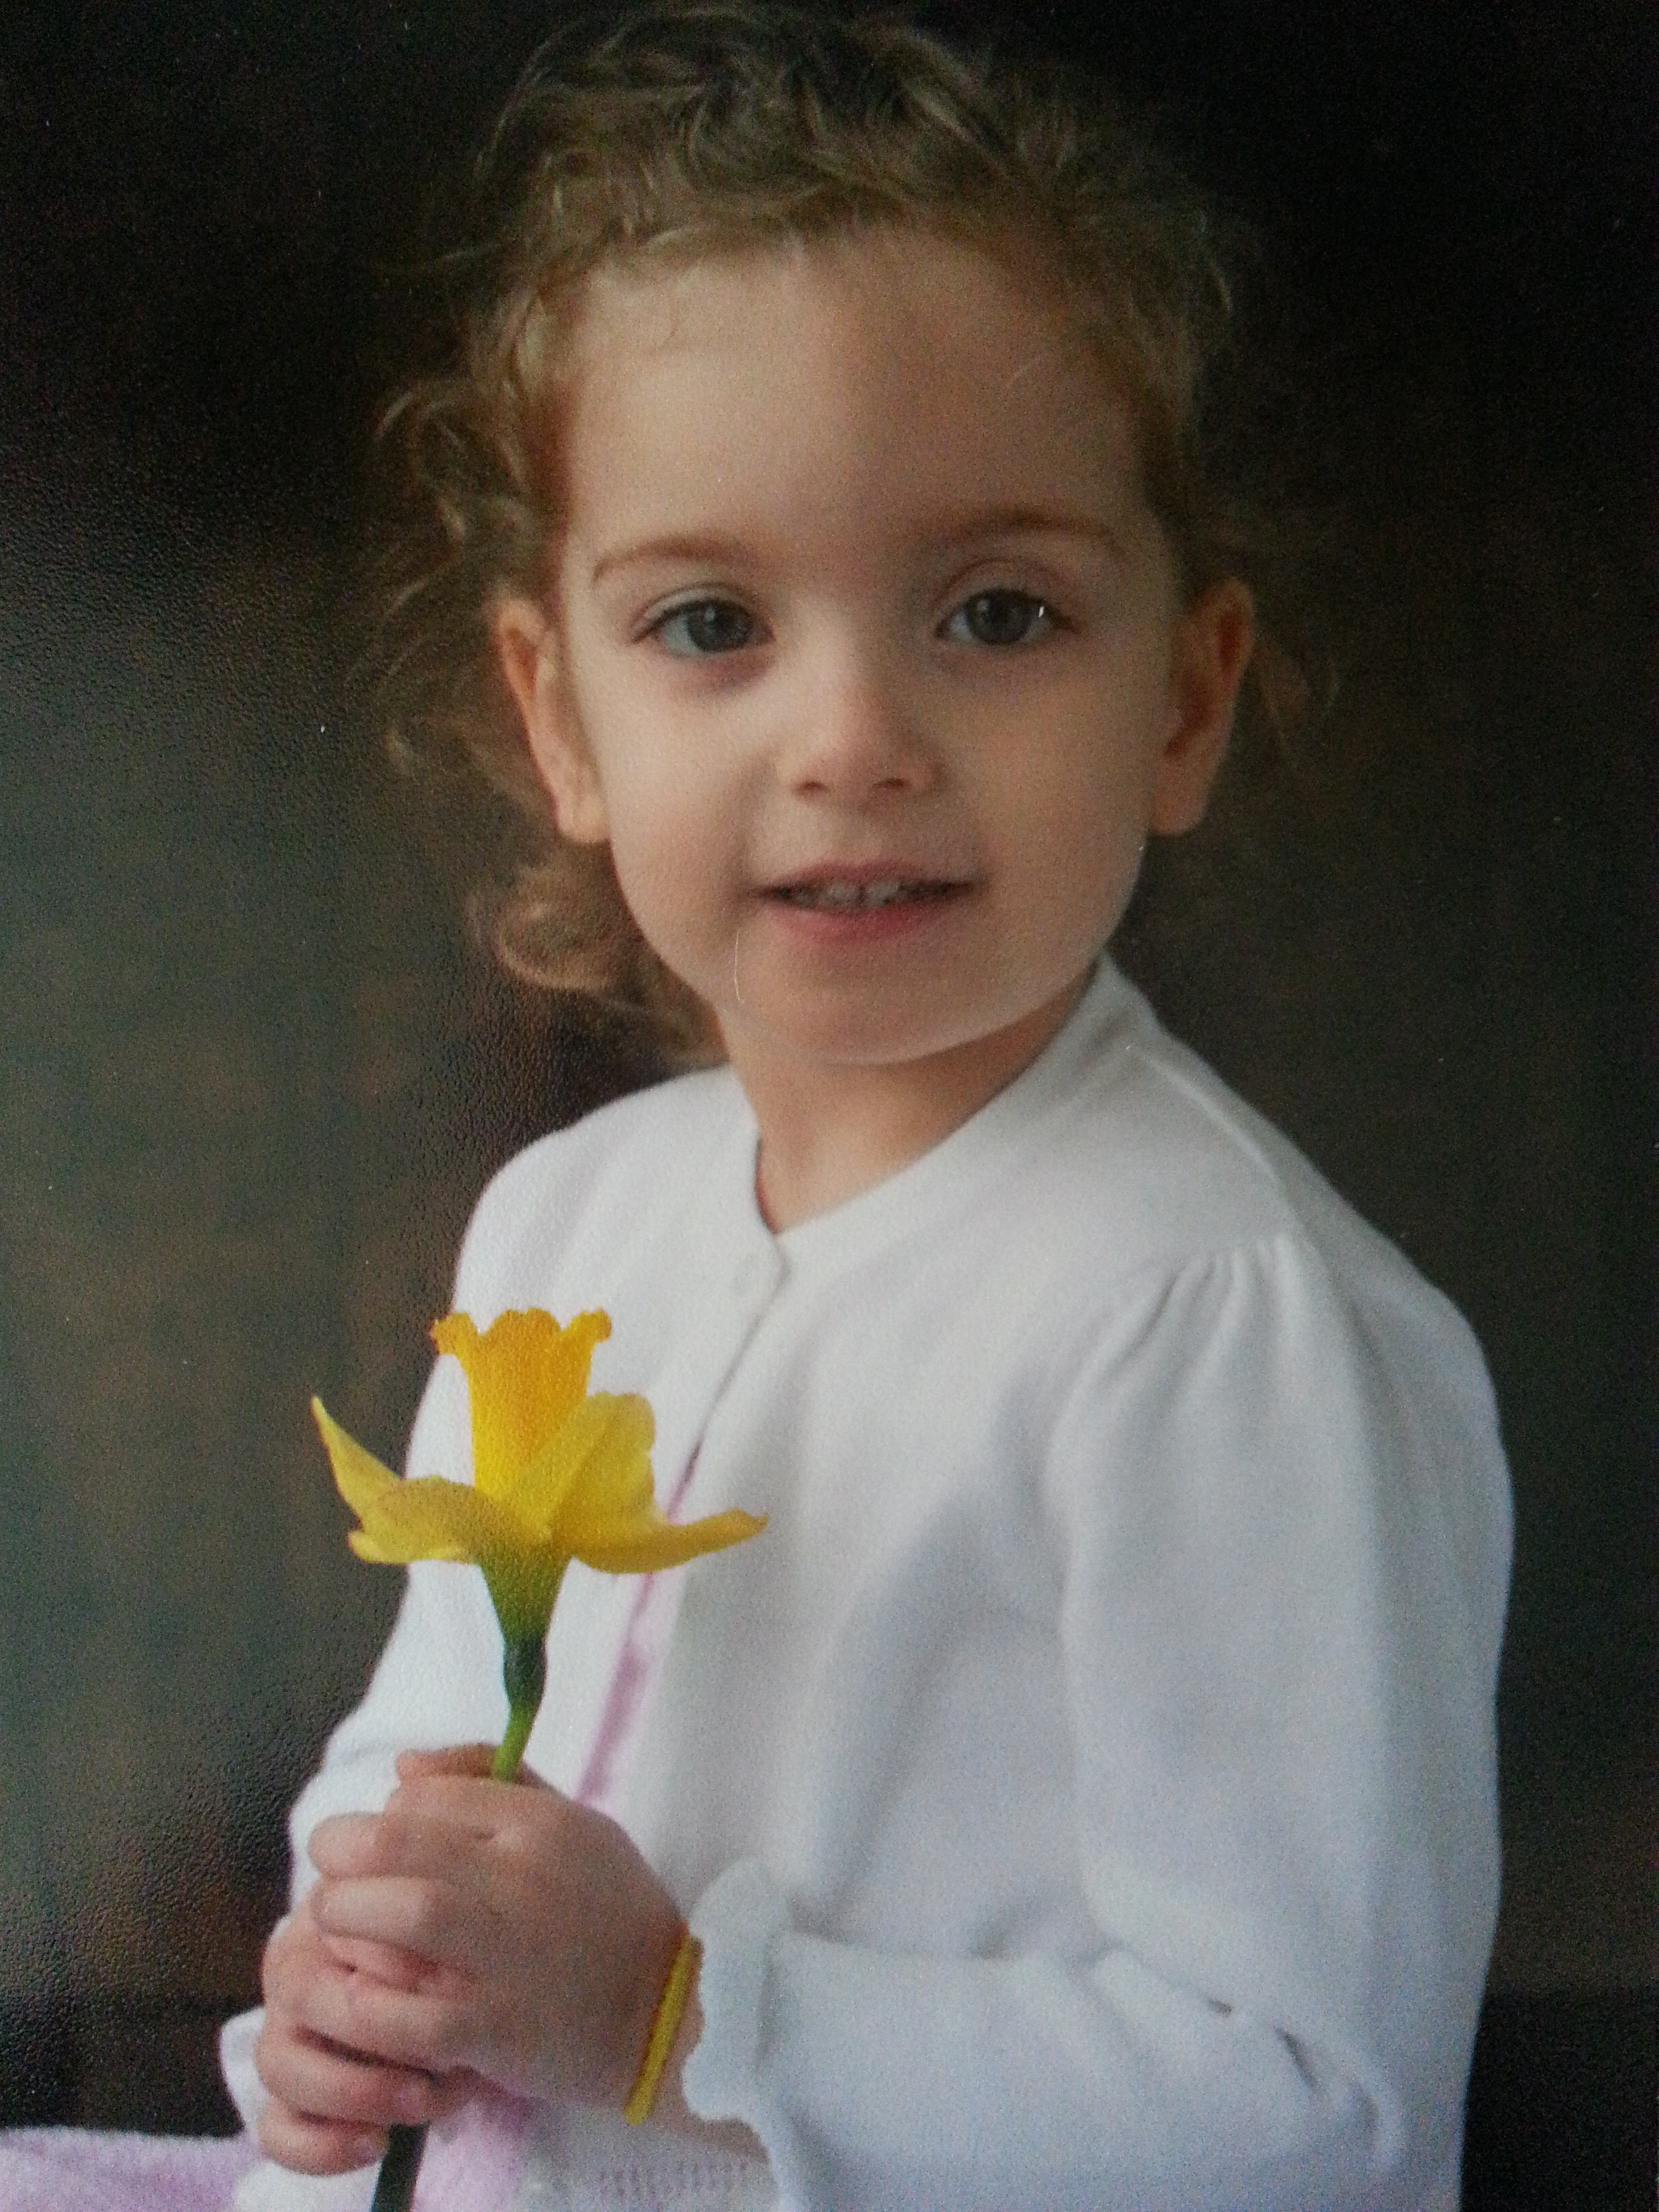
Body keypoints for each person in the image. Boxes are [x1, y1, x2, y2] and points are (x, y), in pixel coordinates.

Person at [219, 5, 1513, 2207]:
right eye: (710, 621)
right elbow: (426, 1746)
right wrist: (356, 1968)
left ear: (1183, 699)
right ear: (559, 717)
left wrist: (675, 2015)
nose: (852, 738)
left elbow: (1319, 2109)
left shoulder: (1212, 1320)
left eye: (996, 613)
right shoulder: (566, 1222)